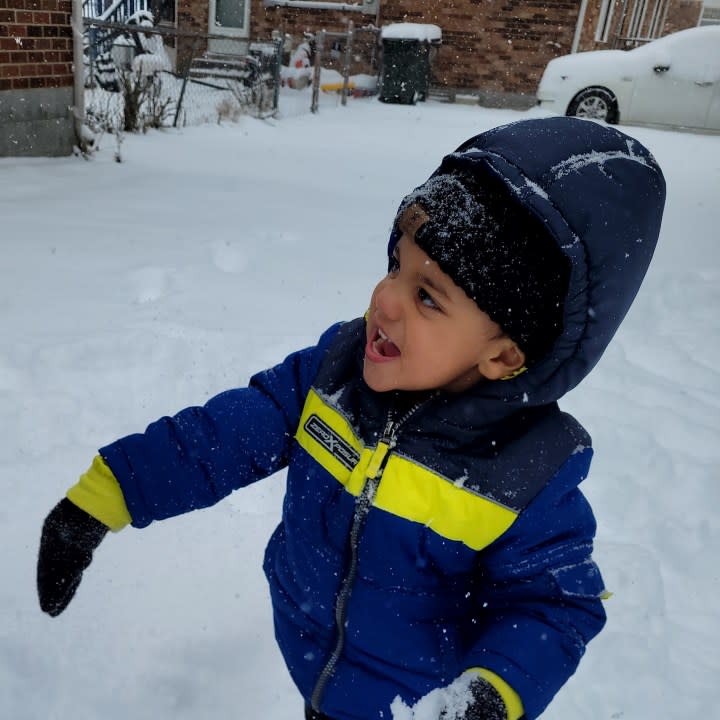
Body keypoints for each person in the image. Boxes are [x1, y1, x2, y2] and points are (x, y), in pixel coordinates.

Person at [36, 117, 666, 720]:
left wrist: (489, 695)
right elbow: (218, 440)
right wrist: (104, 497)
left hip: (416, 706)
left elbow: (554, 606)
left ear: (502, 354)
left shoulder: (525, 473)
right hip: (314, 663)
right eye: (396, 265)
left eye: (427, 296)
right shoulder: (332, 373)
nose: (385, 300)